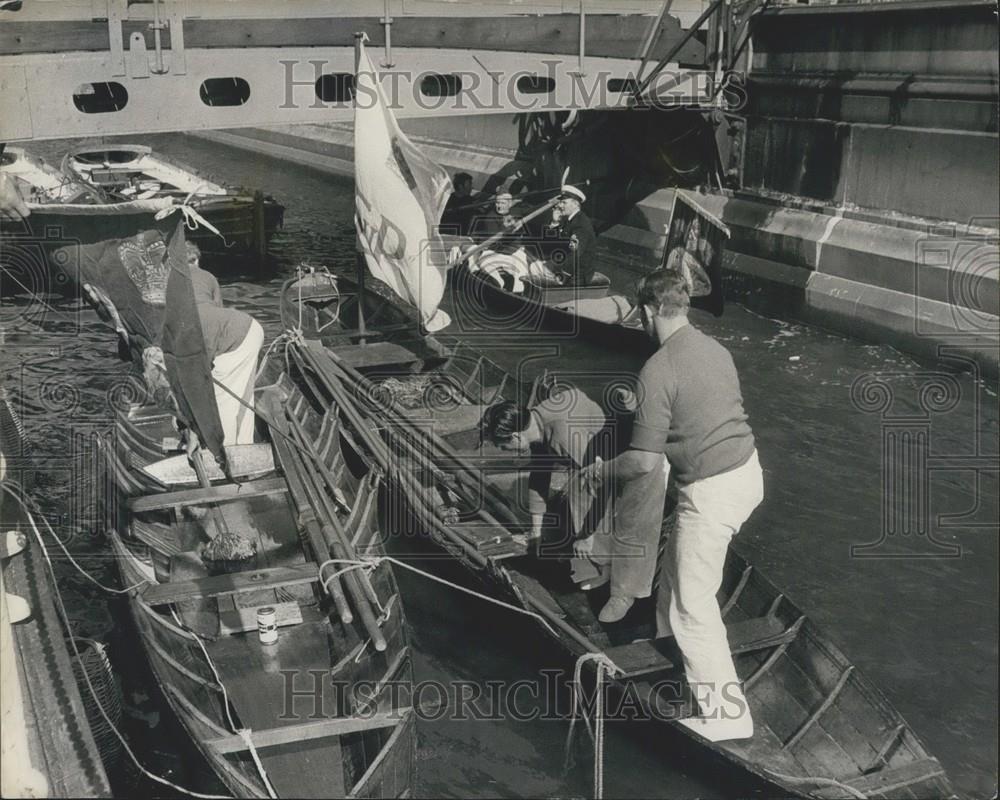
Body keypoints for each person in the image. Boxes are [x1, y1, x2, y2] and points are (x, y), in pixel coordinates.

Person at [581, 267, 763, 743]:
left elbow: (642, 463)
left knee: (691, 606)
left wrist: (599, 471)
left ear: (645, 312)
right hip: (746, 473)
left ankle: (728, 715)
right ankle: (675, 659)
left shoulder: (657, 369)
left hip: (712, 492)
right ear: (682, 307)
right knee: (673, 585)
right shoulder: (715, 349)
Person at [479, 386, 620, 579]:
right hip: (588, 444)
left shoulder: (564, 439)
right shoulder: (534, 423)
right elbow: (539, 476)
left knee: (588, 504)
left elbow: (602, 487)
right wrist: (536, 530)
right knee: (570, 505)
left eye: (505, 447)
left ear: (516, 437)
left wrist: (587, 536)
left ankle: (603, 568)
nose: (506, 452)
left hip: (623, 455)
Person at [186, 241, 264, 446]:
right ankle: (245, 447)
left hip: (233, 337)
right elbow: (218, 310)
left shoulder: (172, 282)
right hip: (249, 326)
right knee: (244, 398)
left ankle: (225, 455)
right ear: (197, 259)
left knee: (224, 401)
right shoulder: (209, 277)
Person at [528, 184, 597, 286]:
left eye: (564, 202)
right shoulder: (569, 220)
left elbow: (574, 254)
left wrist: (556, 269)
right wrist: (554, 223)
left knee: (535, 268)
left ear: (575, 204)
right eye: (560, 202)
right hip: (565, 265)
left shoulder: (580, 224)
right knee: (534, 264)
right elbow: (552, 244)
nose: (560, 206)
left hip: (576, 274)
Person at [440, 172, 475, 236]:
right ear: (460, 186)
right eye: (469, 184)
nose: (471, 187)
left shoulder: (471, 200)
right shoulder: (446, 201)